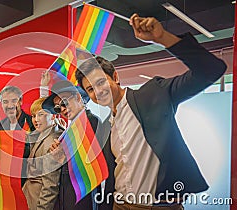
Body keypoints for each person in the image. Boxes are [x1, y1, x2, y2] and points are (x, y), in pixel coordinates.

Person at [74, 14, 227, 209]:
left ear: (115, 76)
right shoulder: (107, 126)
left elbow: (211, 69)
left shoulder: (153, 94)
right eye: (90, 89)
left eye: (101, 82)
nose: (98, 91)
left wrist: (163, 38)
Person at [42, 80, 104, 210]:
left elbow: (90, 165)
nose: (63, 110)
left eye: (64, 103)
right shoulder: (73, 127)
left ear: (77, 97)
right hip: (71, 195)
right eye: (58, 108)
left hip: (84, 197)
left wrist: (64, 154)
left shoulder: (91, 122)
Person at [22, 97, 64, 210]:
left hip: (39, 202)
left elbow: (50, 186)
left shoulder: (52, 142)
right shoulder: (41, 134)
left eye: (41, 114)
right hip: (31, 197)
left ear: (54, 115)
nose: (36, 119)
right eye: (33, 116)